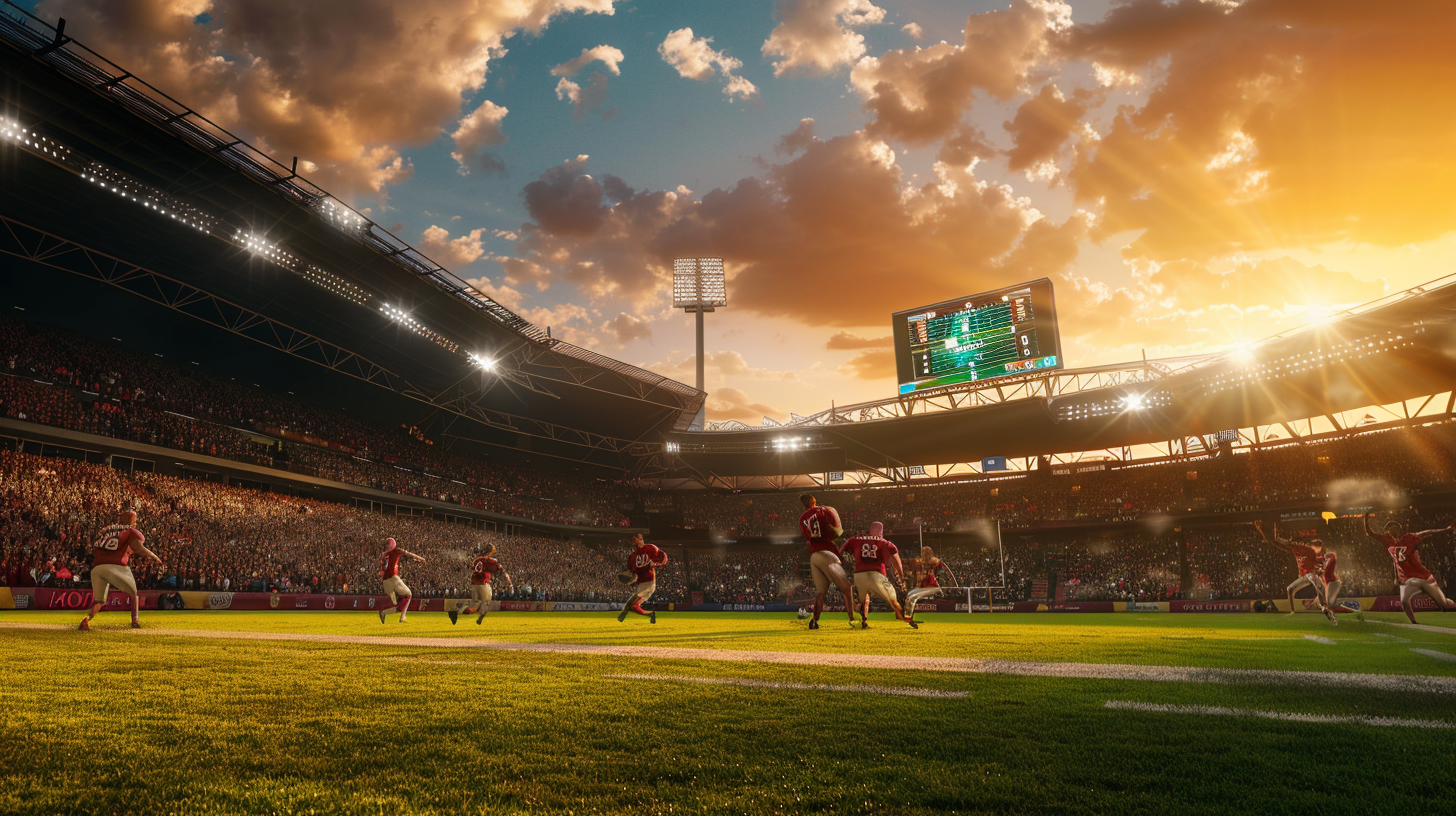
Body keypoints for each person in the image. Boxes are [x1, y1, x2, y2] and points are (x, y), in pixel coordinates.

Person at [1364, 512, 1456, 624]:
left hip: (1424, 576)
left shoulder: (1409, 537)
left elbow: (1427, 532)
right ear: (1387, 531)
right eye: (1390, 528)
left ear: (1399, 529)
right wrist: (1365, 519)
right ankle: (1414, 623)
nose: (1392, 529)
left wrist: (1445, 530)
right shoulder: (1389, 543)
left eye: (1394, 526)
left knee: (1444, 605)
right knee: (1404, 601)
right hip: (1409, 580)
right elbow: (1370, 533)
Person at [78, 510, 163, 631]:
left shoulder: (106, 529)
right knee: (133, 593)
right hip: (115, 566)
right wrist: (154, 557)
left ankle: (86, 619)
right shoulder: (131, 532)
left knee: (100, 601)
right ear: (131, 520)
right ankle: (135, 621)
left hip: (97, 568)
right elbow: (138, 548)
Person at [1253, 520, 1335, 623]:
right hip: (1304, 577)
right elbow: (1277, 539)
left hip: (1311, 576)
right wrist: (1275, 527)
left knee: (1316, 586)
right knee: (1289, 589)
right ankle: (1294, 611)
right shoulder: (1296, 548)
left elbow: (1319, 559)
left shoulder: (1310, 551)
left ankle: (1325, 608)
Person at [841, 521, 917, 629]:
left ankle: (863, 620)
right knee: (893, 599)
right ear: (881, 532)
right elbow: (896, 560)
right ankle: (905, 618)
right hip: (877, 574)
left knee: (865, 598)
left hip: (860, 574)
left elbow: (841, 550)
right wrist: (901, 575)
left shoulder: (856, 539)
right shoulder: (885, 543)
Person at [798, 493, 856, 630]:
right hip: (828, 554)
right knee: (847, 589)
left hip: (815, 556)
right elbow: (838, 531)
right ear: (814, 500)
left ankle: (815, 621)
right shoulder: (827, 510)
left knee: (820, 592)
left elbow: (809, 538)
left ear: (804, 504)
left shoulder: (802, 519)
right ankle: (853, 620)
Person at [450, 544, 513, 625]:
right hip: (482, 584)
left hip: (473, 584)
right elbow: (502, 572)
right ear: (490, 551)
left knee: (473, 606)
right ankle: (480, 618)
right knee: (486, 603)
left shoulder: (477, 560)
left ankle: (456, 612)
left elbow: (475, 569)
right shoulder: (490, 561)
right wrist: (510, 583)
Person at [617, 532, 665, 624]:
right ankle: (650, 615)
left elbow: (663, 557)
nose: (634, 540)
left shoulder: (650, 548)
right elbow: (633, 573)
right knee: (633, 606)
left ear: (641, 539)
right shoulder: (632, 557)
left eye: (636, 538)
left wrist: (656, 563)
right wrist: (631, 580)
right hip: (643, 584)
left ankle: (622, 616)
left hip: (649, 583)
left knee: (629, 605)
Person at [377, 537, 426, 624]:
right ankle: (402, 617)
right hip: (393, 578)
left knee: (399, 604)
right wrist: (420, 558)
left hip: (386, 581)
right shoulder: (396, 551)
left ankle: (386, 613)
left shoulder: (384, 555)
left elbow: (382, 570)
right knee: (408, 595)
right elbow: (409, 554)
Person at [904, 544, 957, 621]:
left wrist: (955, 584)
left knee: (913, 597)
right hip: (923, 588)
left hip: (932, 587)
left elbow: (946, 570)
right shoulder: (920, 562)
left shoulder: (934, 561)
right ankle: (909, 616)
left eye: (925, 552)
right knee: (909, 595)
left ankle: (908, 617)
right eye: (923, 552)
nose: (923, 554)